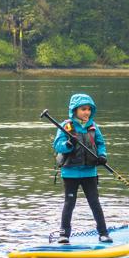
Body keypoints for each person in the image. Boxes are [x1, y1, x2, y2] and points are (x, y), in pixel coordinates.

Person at [53, 93, 111, 244]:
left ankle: (103, 233)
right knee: (69, 204)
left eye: (89, 109)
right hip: (70, 173)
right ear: (75, 110)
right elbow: (57, 145)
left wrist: (102, 155)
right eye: (83, 109)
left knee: (94, 202)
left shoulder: (93, 126)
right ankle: (64, 235)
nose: (87, 112)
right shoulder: (66, 126)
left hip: (89, 172)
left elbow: (100, 144)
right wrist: (68, 144)